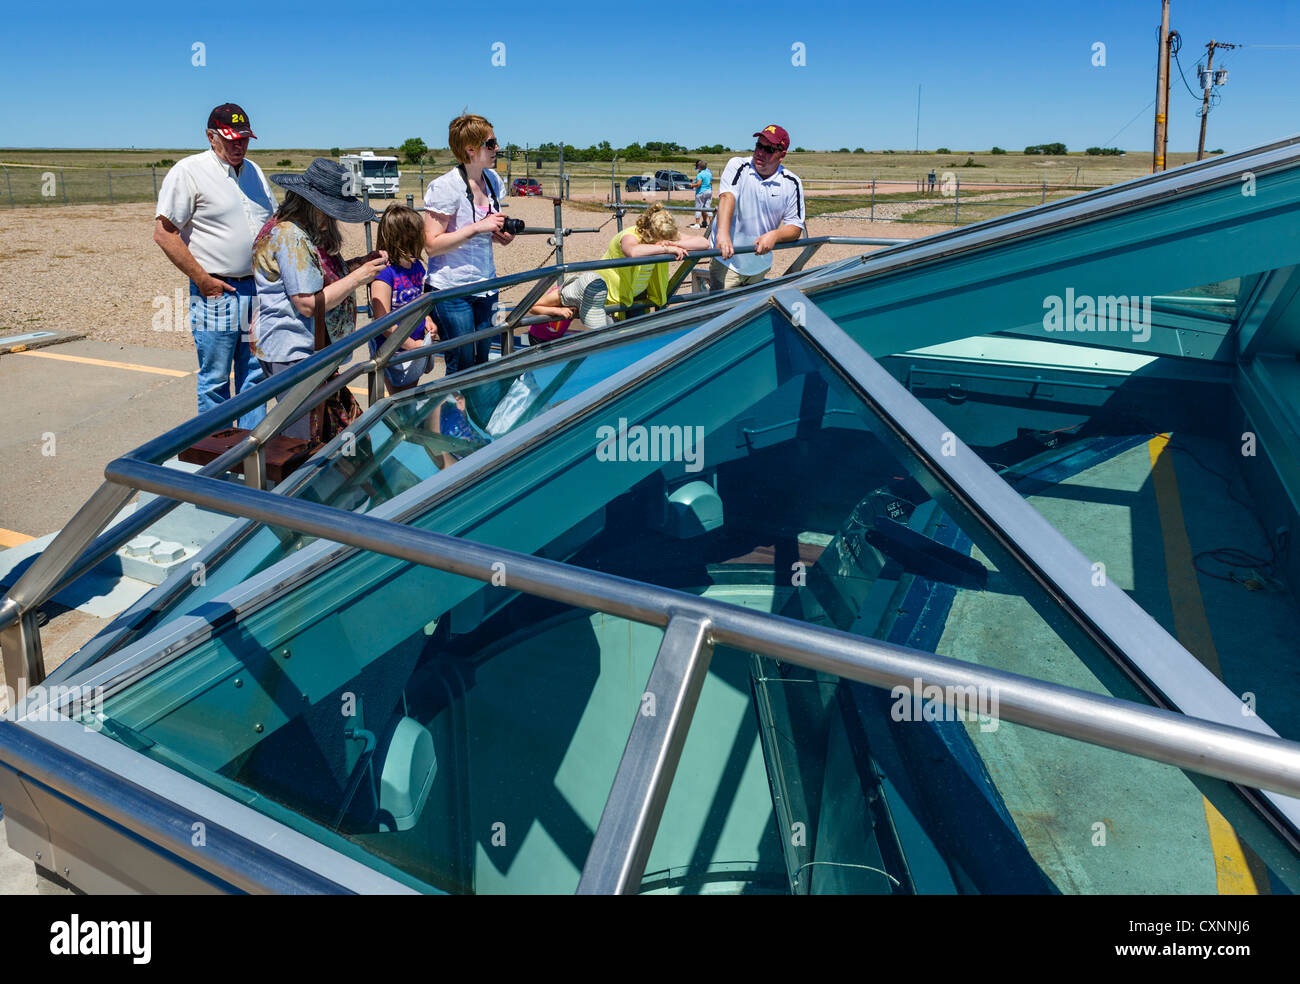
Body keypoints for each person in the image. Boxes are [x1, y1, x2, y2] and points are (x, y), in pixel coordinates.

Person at [153, 103, 276, 428]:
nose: (239, 146)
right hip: (216, 292)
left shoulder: (254, 172)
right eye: (232, 139)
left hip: (256, 290)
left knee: (254, 375)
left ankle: (251, 451)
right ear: (211, 136)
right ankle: (217, 455)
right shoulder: (189, 172)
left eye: (245, 139)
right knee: (216, 378)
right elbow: (164, 233)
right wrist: (202, 279)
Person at [250, 158, 387, 438]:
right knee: (306, 441)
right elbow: (308, 302)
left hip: (303, 352)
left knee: (324, 435)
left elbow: (316, 276)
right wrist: (358, 278)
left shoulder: (293, 230)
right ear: (314, 206)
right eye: (331, 212)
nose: (333, 219)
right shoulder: (292, 237)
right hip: (295, 353)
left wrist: (358, 265)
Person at [528, 203, 710, 342]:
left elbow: (704, 243)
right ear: (650, 231)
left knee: (636, 340)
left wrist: (672, 244)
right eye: (661, 239)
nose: (664, 242)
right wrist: (666, 249)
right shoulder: (630, 235)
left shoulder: (663, 238)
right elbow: (632, 252)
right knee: (613, 338)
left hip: (636, 296)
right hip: (611, 295)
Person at [422, 113, 516, 375]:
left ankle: (476, 415)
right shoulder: (445, 187)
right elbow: (431, 245)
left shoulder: (494, 182)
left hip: (487, 285)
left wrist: (500, 234)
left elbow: (486, 229)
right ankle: (455, 414)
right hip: (453, 289)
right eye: (491, 144)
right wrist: (477, 227)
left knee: (483, 360)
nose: (497, 149)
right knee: (461, 363)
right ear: (470, 150)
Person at [709, 124, 806, 291]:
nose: (761, 152)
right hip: (727, 262)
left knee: (750, 314)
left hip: (759, 266)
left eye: (769, 149)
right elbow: (727, 196)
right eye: (758, 145)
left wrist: (775, 235)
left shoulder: (792, 183)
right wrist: (723, 234)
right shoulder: (738, 166)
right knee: (721, 313)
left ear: (781, 155)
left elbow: (795, 227)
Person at [369, 204, 438, 395]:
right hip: (395, 349)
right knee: (400, 399)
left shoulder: (416, 266)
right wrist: (411, 345)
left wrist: (428, 321)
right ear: (404, 238)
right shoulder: (385, 273)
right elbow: (383, 322)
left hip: (416, 344)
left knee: (411, 396)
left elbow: (420, 302)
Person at [687, 159, 713, 230]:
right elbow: (711, 182)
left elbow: (698, 184)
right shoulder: (709, 173)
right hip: (709, 191)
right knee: (708, 208)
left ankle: (697, 224)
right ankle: (711, 224)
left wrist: (692, 185)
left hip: (701, 192)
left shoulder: (700, 174)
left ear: (699, 167)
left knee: (698, 207)